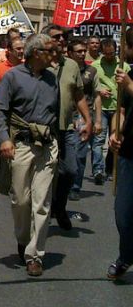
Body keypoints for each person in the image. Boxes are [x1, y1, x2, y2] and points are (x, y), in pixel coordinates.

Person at [0, 33, 59, 277]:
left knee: (42, 202)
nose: (54, 55)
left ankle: (35, 255)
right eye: (50, 51)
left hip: (47, 146)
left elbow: (57, 112)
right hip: (21, 145)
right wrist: (4, 139)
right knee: (21, 200)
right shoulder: (12, 77)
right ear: (36, 53)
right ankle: (23, 239)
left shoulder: (52, 79)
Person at [43, 24, 91, 231]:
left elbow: (78, 95)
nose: (61, 40)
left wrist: (88, 120)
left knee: (70, 170)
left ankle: (59, 206)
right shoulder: (39, 63)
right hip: (43, 129)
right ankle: (42, 214)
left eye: (63, 36)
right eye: (56, 37)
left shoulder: (71, 65)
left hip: (66, 128)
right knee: (45, 174)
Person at [109, 29, 133, 280]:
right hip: (128, 153)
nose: (122, 50)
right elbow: (121, 110)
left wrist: (129, 85)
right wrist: (116, 130)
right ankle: (127, 254)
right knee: (123, 214)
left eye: (125, 45)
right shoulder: (130, 75)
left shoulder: (129, 80)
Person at [67, 38, 103, 201]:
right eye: (78, 51)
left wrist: (98, 120)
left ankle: (75, 187)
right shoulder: (63, 69)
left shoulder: (91, 71)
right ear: (70, 53)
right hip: (66, 116)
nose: (82, 54)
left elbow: (97, 96)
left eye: (83, 51)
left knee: (80, 154)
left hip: (83, 118)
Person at [93, 38, 130, 182]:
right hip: (101, 108)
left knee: (114, 140)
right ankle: (98, 170)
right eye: (106, 54)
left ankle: (110, 169)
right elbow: (89, 87)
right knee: (98, 140)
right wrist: (100, 90)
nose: (109, 56)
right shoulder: (95, 66)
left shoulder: (123, 66)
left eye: (111, 53)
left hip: (117, 108)